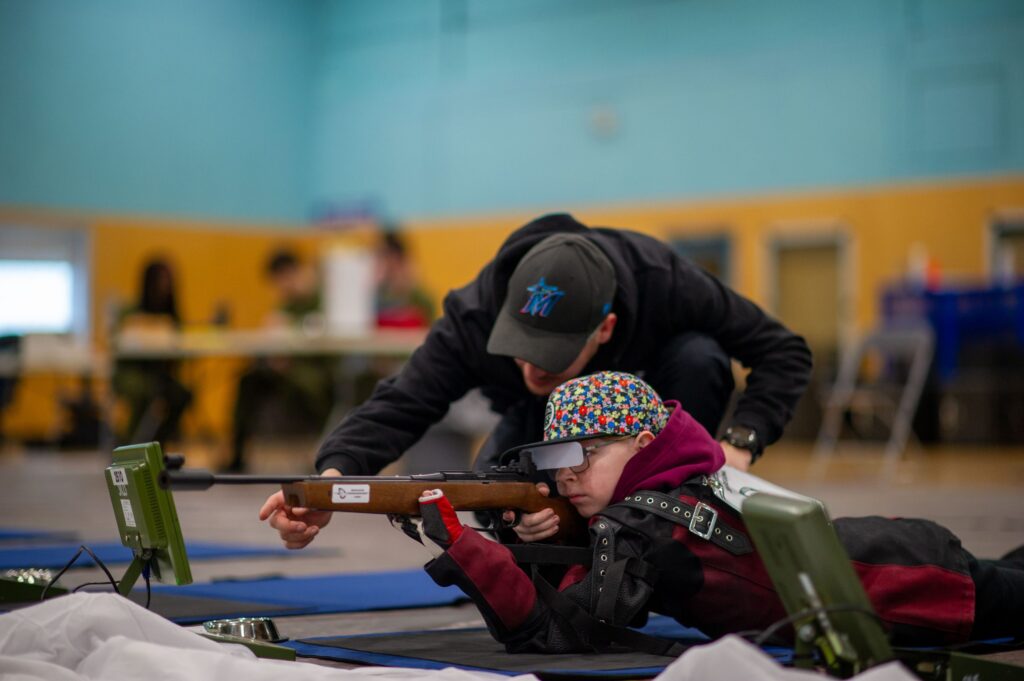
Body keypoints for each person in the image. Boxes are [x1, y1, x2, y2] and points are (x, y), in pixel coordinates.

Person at [260, 213, 812, 547]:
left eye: (550, 356)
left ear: (606, 329)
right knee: (491, 497)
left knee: (701, 357)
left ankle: (666, 523)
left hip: (647, 431)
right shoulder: (473, 314)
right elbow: (403, 402)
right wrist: (329, 484)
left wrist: (738, 444)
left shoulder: (665, 280)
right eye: (520, 348)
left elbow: (783, 350)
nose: (531, 367)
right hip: (537, 423)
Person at [398, 371, 1024, 653]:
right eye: (559, 460)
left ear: (643, 446)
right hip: (897, 557)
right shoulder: (674, 482)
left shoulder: (640, 522)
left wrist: (471, 550)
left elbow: (567, 632)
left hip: (907, 587)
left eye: (587, 455)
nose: (567, 474)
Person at [226, 248, 334, 472]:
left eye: (282, 279)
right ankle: (237, 453)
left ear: (293, 272)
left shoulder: (322, 299)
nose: (281, 287)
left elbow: (324, 340)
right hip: (287, 370)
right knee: (249, 380)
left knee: (260, 379)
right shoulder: (286, 305)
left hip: (315, 373)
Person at [112, 258, 192, 444]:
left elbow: (179, 346)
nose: (165, 286)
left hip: (160, 375)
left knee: (181, 395)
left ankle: (156, 445)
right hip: (132, 373)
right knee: (145, 393)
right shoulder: (131, 312)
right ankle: (130, 445)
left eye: (168, 281)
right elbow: (117, 344)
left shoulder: (171, 314)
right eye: (160, 280)